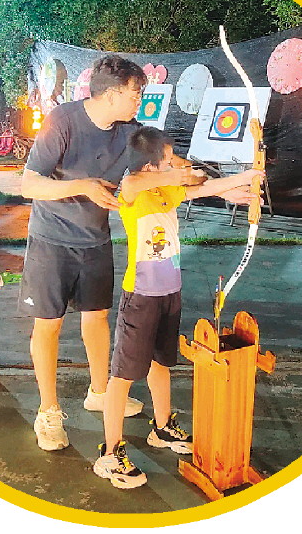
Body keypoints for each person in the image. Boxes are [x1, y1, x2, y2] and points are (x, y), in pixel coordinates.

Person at [20, 56, 202, 451]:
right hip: (52, 239)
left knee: (97, 316)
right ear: (112, 94)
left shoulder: (129, 132)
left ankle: (100, 392)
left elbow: (165, 162)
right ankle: (48, 410)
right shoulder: (62, 121)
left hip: (96, 239)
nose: (140, 100)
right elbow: (29, 184)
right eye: (136, 93)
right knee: (49, 324)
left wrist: (195, 174)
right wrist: (82, 186)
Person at [92, 126, 264, 489]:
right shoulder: (134, 190)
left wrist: (246, 180)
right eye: (168, 160)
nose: (175, 164)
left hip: (170, 292)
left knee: (161, 362)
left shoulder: (164, 189)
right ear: (150, 165)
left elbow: (201, 188)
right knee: (123, 375)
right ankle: (109, 452)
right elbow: (133, 183)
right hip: (141, 296)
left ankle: (162, 427)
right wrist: (181, 174)